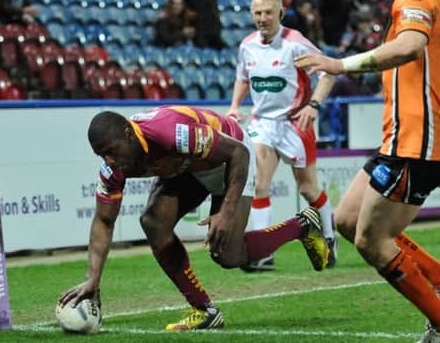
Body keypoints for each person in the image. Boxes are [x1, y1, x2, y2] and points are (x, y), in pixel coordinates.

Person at [294, 0, 440, 342]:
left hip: (411, 144)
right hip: (412, 143)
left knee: (372, 241)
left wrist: (340, 65)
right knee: (345, 219)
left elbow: (410, 46)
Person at [58, 106, 330, 331]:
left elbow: (239, 154)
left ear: (128, 134)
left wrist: (225, 212)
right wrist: (93, 280)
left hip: (230, 157)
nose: (109, 160)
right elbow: (104, 222)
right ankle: (204, 311)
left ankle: (302, 225)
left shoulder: (170, 132)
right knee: (153, 222)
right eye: (101, 155)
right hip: (188, 167)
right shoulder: (113, 168)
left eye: (112, 151)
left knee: (228, 255)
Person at [227, 0, 337, 273]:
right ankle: (263, 253)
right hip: (262, 123)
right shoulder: (247, 46)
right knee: (259, 184)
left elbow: (329, 72)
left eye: (268, 13)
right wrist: (234, 105)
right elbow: (242, 78)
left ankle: (328, 236)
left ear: (280, 14)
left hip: (295, 124)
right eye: (258, 13)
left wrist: (313, 105)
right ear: (252, 14)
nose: (263, 19)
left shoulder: (295, 44)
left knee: (308, 188)